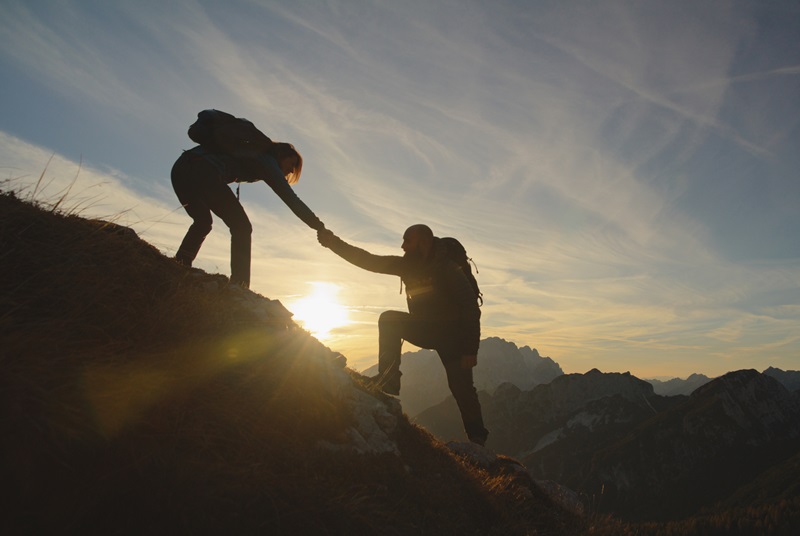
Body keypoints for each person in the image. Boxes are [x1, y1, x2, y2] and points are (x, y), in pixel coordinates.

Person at [317, 224, 489, 445]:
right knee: (388, 319)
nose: (402, 246)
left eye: (408, 241)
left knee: (462, 389)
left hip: (453, 337)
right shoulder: (407, 265)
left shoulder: (447, 268)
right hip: (426, 328)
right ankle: (388, 381)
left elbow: (470, 308)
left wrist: (470, 349)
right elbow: (368, 260)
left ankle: (478, 439)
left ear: (424, 243)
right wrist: (333, 243)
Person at [171, 119, 325, 288]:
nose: (291, 170)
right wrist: (318, 225)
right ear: (282, 155)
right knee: (241, 226)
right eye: (292, 164)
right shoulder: (267, 161)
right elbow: (291, 199)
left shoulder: (253, 152)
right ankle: (240, 284)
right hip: (204, 171)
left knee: (203, 222)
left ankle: (180, 264)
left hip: (181, 168)